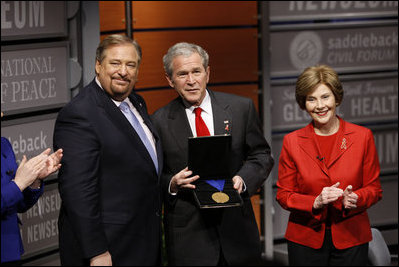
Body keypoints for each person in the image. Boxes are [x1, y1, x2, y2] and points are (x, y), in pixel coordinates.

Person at [151, 42, 274, 266]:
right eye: (182, 74)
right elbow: (151, 176)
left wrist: (243, 179)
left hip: (237, 233)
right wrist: (173, 183)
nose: (191, 80)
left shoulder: (240, 108)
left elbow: (261, 155)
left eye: (196, 71)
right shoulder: (157, 122)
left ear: (208, 73)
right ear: (170, 80)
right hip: (189, 239)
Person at [53, 35, 162, 266]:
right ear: (98, 65)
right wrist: (97, 252)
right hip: (108, 250)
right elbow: (78, 191)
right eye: (115, 63)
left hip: (141, 241)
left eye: (130, 65)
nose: (123, 71)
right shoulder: (80, 113)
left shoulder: (137, 102)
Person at [276, 65, 382, 266]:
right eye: (311, 99)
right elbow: (284, 195)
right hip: (305, 239)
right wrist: (315, 202)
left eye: (325, 97)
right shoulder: (292, 141)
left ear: (337, 98)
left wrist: (356, 198)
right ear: (303, 103)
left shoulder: (362, 137)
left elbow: (374, 189)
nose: (319, 105)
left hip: (351, 237)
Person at [1, 112, 63, 265]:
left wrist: (35, 179)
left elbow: (17, 204)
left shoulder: (3, 145)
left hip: (9, 252)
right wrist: (19, 184)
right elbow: (15, 188)